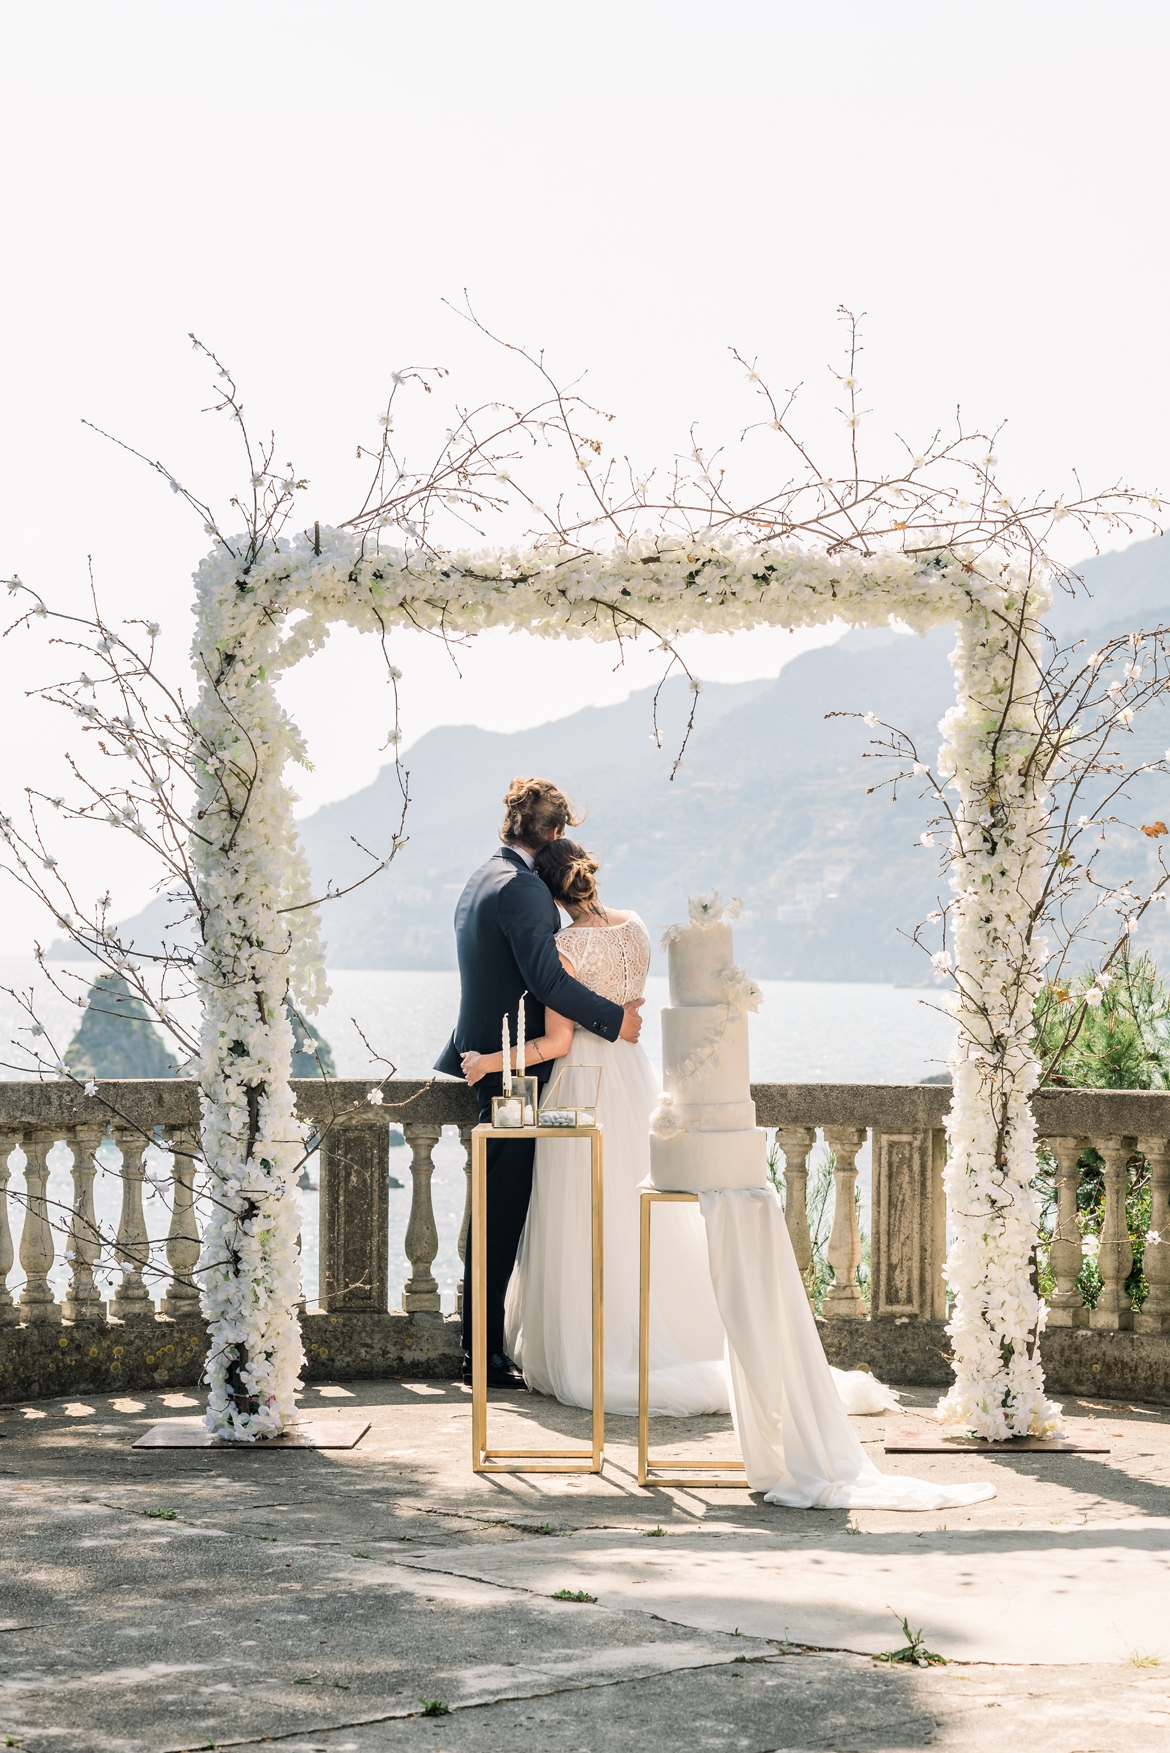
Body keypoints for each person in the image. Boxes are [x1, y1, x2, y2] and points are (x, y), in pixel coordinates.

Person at [463, 839, 728, 1413]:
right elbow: (630, 1008)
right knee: (637, 1204)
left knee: (580, 1213)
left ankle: (588, 1343)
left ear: (553, 893)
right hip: (634, 1078)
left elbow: (556, 1042)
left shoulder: (563, 947)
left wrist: (487, 1062)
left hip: (582, 1086)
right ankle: (658, 1336)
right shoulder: (634, 927)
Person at [435, 779, 644, 1389]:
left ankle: (485, 1345)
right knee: (501, 1213)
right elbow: (548, 982)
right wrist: (615, 1020)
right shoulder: (526, 892)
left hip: (493, 1057)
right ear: (554, 833)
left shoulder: (482, 877)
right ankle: (484, 1354)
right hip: (514, 1072)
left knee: (497, 1208)